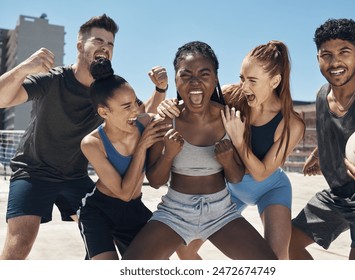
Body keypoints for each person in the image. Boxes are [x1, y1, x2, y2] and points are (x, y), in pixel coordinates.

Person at [0, 14, 168, 260]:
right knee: (21, 240)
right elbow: (3, 99)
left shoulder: (108, 90)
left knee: (103, 230)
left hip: (76, 177)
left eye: (110, 44)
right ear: (80, 46)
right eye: (98, 40)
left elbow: (140, 115)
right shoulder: (53, 79)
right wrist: (25, 67)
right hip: (34, 171)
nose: (106, 47)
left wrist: (160, 89)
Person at [122, 41, 277, 260]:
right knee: (130, 266)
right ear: (176, 79)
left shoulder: (231, 118)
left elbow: (235, 177)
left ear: (215, 79)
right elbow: (156, 181)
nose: (195, 82)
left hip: (221, 212)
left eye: (204, 74)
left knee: (269, 265)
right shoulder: (165, 121)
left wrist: (227, 160)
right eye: (185, 75)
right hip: (175, 212)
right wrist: (168, 155)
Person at [158, 40, 305, 260]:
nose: (244, 87)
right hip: (230, 189)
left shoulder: (292, 124)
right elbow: (193, 100)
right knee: (185, 249)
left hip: (271, 188)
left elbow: (261, 173)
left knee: (277, 257)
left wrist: (239, 141)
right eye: (242, 78)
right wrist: (168, 104)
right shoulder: (231, 96)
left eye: (253, 81)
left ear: (274, 81)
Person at [289, 18, 355, 260]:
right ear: (317, 58)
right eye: (326, 54)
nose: (335, 61)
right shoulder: (321, 95)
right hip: (338, 195)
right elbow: (343, 131)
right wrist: (318, 153)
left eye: (344, 52)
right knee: (285, 244)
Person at [77, 58, 170, 260]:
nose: (135, 111)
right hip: (99, 212)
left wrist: (161, 89)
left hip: (134, 210)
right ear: (104, 112)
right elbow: (124, 193)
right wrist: (142, 147)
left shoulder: (142, 123)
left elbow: (155, 112)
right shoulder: (92, 143)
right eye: (126, 107)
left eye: (135, 102)